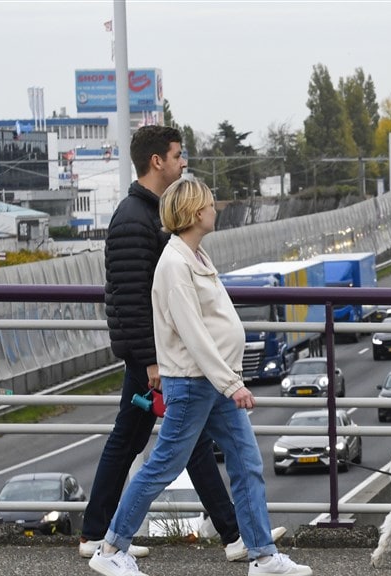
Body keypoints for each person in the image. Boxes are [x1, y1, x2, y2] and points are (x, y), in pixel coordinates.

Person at [89, 178, 311, 576]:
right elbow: (193, 333)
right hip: (193, 383)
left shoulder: (196, 255)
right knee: (162, 466)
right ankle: (110, 549)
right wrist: (233, 384)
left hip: (210, 382)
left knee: (246, 461)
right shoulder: (175, 264)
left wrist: (226, 379)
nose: (215, 209)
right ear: (194, 214)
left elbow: (212, 324)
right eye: (210, 204)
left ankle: (262, 555)